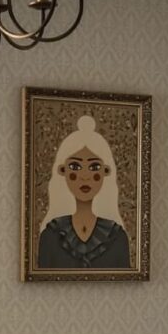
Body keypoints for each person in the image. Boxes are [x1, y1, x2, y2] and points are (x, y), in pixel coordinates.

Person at [36, 115, 130, 270]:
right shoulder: (51, 235)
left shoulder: (117, 237)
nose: (85, 176)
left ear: (106, 171)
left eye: (94, 168)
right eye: (75, 167)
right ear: (62, 171)